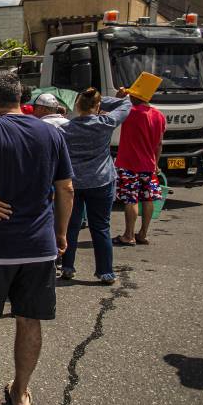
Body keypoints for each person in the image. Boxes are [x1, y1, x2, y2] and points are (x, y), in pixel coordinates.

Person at [0, 71, 74, 405]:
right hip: (39, 246)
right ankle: (21, 393)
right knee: (29, 318)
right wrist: (61, 232)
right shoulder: (50, 133)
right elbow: (66, 187)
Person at [61, 88, 132, 284]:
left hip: (73, 182)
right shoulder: (105, 123)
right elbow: (126, 104)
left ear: (77, 106)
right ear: (98, 106)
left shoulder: (65, 129)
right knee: (101, 227)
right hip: (101, 180)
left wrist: (86, 100)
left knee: (71, 226)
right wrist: (104, 101)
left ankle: (67, 267)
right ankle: (105, 271)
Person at [113, 87, 166, 246]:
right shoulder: (159, 115)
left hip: (129, 163)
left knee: (131, 199)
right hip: (149, 164)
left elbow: (112, 110)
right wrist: (155, 163)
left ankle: (128, 235)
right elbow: (159, 144)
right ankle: (143, 234)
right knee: (148, 198)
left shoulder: (130, 111)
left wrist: (119, 97)